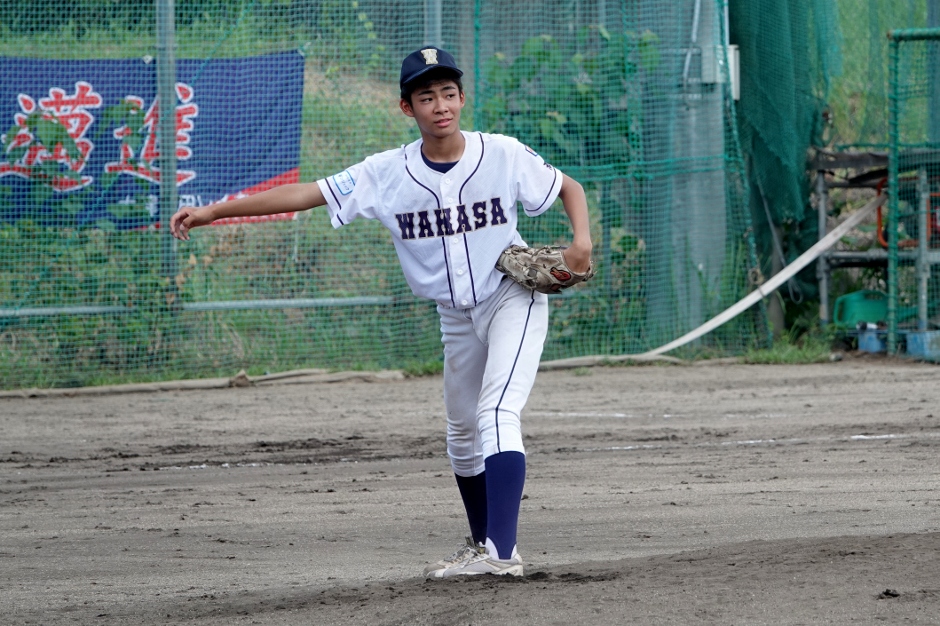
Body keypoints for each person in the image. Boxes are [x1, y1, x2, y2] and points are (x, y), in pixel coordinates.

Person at [169, 46, 593, 578]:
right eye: (426, 96)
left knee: (496, 414)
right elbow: (306, 194)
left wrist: (581, 242)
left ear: (462, 98)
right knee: (461, 435)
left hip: (512, 297)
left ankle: (502, 557)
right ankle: (481, 543)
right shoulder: (386, 172)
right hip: (455, 315)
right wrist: (214, 211)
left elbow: (568, 188)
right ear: (406, 108)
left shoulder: (501, 153)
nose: (440, 105)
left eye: (448, 93)